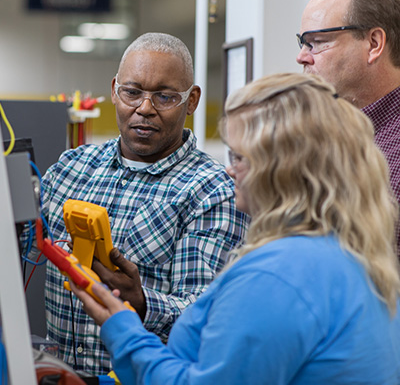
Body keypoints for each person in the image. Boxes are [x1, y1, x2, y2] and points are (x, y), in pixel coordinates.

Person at [71, 72, 400, 384]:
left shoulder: (276, 275)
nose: (230, 170)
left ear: (280, 170)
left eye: (240, 157)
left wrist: (123, 330)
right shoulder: (348, 254)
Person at [39, 32, 249, 375]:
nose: (145, 108)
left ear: (191, 100)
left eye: (165, 96)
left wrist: (142, 302)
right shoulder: (71, 168)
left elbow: (206, 315)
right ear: (114, 91)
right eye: (132, 92)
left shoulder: (213, 191)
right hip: (57, 374)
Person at [297, 0, 400, 257]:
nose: (303, 56)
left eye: (316, 41)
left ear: (374, 44)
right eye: (302, 43)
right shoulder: (326, 137)